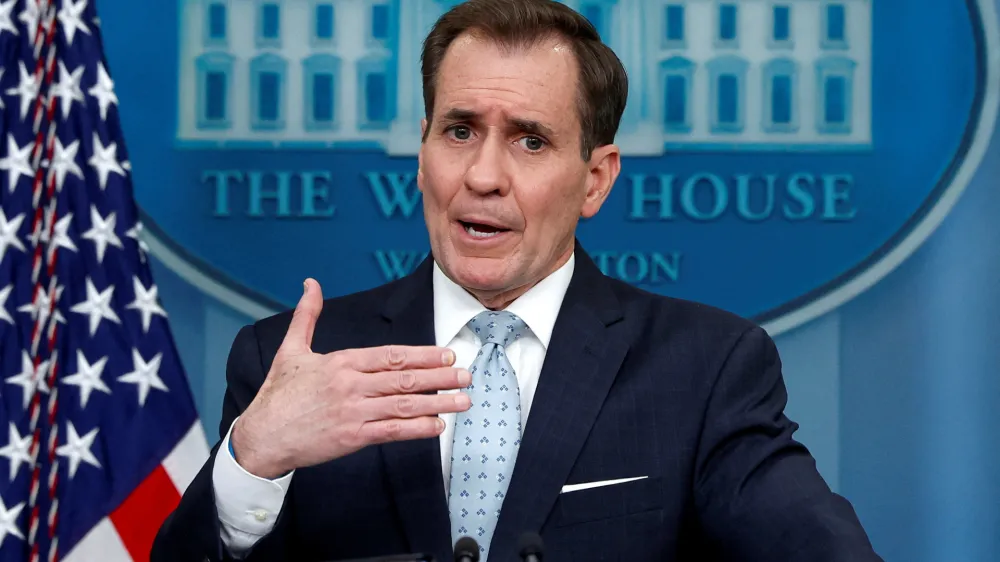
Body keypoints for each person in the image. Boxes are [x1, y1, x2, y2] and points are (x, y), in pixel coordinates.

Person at [152, 1, 883, 560]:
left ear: (595, 179)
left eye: (530, 141)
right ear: (422, 149)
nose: (483, 177)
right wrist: (253, 461)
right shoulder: (291, 361)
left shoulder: (704, 368)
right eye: (459, 130)